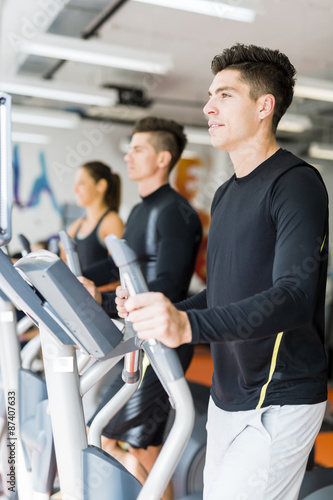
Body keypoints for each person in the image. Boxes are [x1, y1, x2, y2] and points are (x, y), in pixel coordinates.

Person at [120, 44, 329, 500]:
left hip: (280, 396)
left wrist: (187, 325)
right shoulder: (227, 194)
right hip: (227, 393)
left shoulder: (295, 184)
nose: (208, 106)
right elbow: (223, 292)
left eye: (225, 95)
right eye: (210, 95)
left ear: (264, 106)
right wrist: (164, 311)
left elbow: (294, 295)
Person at [80, 116, 202, 500]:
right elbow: (117, 266)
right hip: (139, 340)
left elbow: (166, 287)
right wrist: (73, 277)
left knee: (142, 448)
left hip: (162, 344)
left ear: (163, 158)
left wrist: (102, 299)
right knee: (111, 437)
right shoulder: (138, 211)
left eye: (138, 149)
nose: (128, 156)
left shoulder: (177, 213)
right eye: (129, 149)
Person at [62, 161, 124, 282]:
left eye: (81, 183)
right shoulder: (76, 225)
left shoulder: (112, 221)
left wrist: (79, 282)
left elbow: (118, 270)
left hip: (100, 298)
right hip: (79, 296)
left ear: (101, 185)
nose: (75, 190)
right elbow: (63, 260)